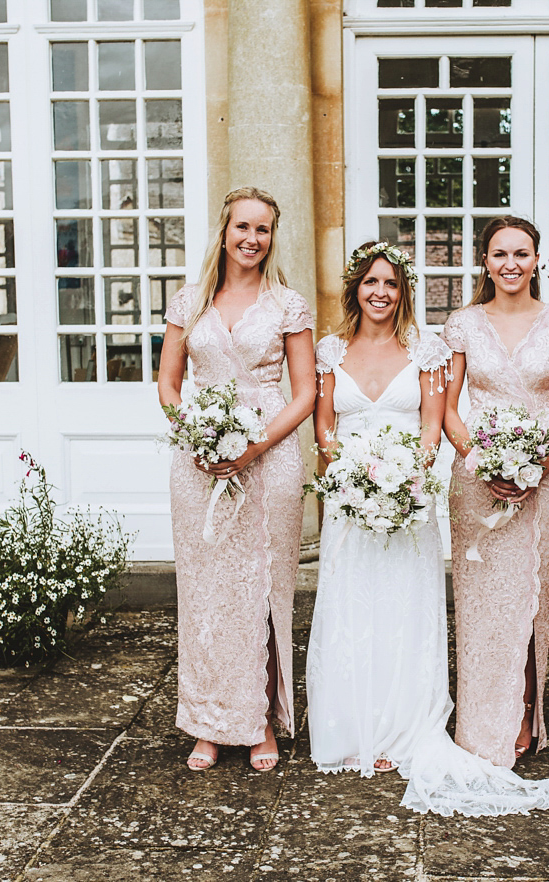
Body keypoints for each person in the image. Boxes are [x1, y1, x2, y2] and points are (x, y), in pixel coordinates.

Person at [308, 240, 549, 816]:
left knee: (404, 609)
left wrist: (406, 481)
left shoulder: (426, 350)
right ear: (355, 290)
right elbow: (324, 429)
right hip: (350, 504)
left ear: (404, 293)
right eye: (370, 283)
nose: (380, 293)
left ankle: (402, 727)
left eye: (391, 284)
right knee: (351, 607)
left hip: (408, 503)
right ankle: (350, 725)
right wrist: (350, 479)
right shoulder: (329, 351)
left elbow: (430, 426)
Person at [157, 186, 316, 772]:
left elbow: (304, 395)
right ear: (223, 232)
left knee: (265, 589)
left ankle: (259, 723)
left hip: (269, 456)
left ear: (273, 237)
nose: (252, 239)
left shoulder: (287, 305)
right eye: (243, 227)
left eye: (264, 229)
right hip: (199, 461)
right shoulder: (189, 301)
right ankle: (208, 722)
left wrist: (254, 446)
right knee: (204, 594)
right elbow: (169, 387)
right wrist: (195, 435)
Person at [442, 217, 549, 768]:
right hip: (477, 480)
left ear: (537, 261)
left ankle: (524, 712)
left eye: (521, 254)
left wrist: (543, 460)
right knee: (480, 605)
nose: (510, 264)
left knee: (530, 600)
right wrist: (479, 459)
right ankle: (479, 718)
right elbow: (450, 406)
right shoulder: (463, 324)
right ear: (485, 261)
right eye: (499, 254)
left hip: (543, 481)